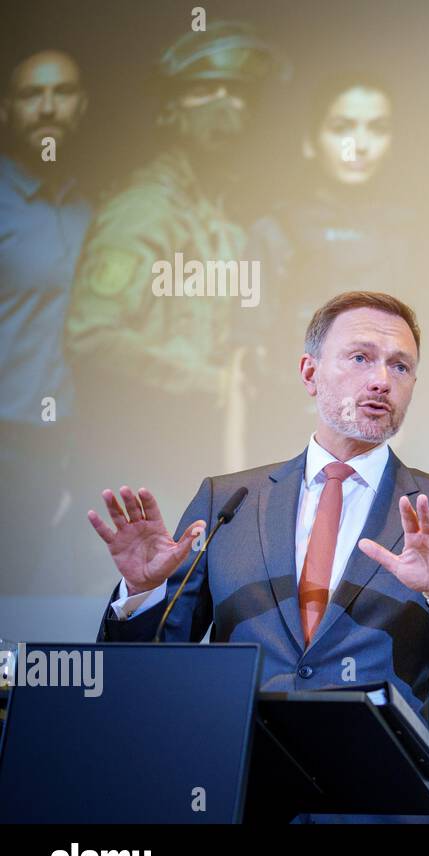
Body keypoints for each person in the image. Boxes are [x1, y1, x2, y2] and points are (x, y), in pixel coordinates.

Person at [88, 292, 429, 747]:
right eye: (361, 357)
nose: (381, 380)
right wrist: (142, 595)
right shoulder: (227, 502)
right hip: (240, 793)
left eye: (400, 366)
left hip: (372, 805)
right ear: (310, 373)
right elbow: (140, 682)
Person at [64, 21, 278, 531]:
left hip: (194, 449)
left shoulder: (219, 210)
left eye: (239, 93)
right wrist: (204, 378)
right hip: (136, 455)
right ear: (169, 110)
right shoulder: (145, 208)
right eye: (205, 91)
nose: (227, 106)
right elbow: (91, 335)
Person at [247, 71, 421, 467]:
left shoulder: (416, 233)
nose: (359, 145)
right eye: (342, 127)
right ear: (311, 141)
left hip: (396, 445)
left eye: (376, 128)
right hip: (283, 433)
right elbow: (246, 367)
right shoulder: (276, 230)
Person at [0, 49, 92, 594]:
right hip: (5, 433)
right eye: (33, 94)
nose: (48, 106)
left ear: (80, 107)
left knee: (51, 593)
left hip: (70, 438)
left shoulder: (92, 206)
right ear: (8, 108)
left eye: (61, 93)